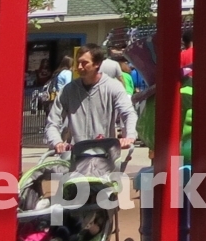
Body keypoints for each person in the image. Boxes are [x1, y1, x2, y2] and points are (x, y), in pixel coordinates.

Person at [44, 44, 138, 179]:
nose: (79, 67)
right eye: (78, 62)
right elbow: (53, 122)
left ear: (97, 64)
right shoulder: (68, 90)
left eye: (84, 63)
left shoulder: (113, 87)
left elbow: (128, 113)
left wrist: (129, 137)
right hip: (76, 157)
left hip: (104, 157)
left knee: (105, 189)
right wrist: (57, 142)